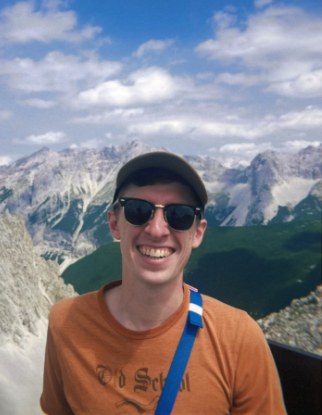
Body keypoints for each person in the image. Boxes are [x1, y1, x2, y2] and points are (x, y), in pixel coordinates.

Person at [40, 151, 286, 415]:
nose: (156, 230)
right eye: (138, 210)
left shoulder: (240, 338)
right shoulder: (65, 322)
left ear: (198, 232)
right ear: (114, 223)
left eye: (179, 215)